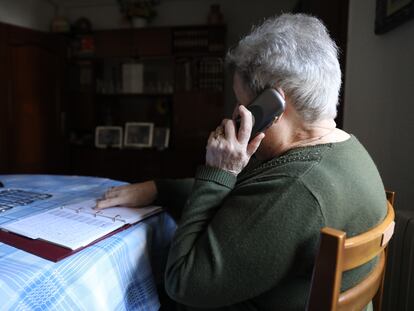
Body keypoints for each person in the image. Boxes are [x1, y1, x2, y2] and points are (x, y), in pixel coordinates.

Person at [96, 13, 387, 311]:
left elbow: (182, 283)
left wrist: (217, 171)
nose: (237, 111)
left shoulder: (295, 189)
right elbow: (245, 195)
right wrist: (160, 188)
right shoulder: (346, 150)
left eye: (243, 102)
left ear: (272, 106)